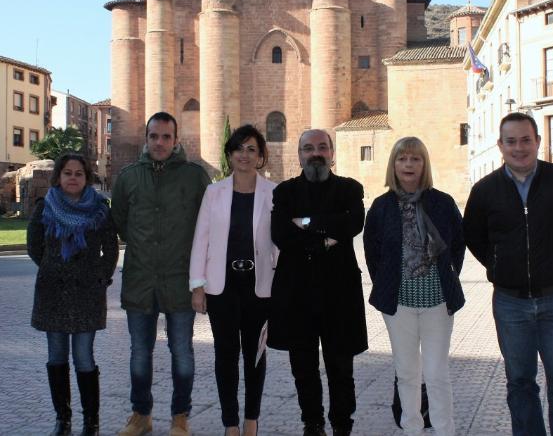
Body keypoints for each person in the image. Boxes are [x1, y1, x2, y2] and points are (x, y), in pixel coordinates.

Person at [463, 112, 553, 436]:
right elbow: (474, 236)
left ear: (538, 142)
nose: (519, 148)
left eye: (526, 140)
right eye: (511, 141)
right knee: (520, 384)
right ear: (500, 145)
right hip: (510, 304)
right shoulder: (484, 190)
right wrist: (498, 267)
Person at [112, 112, 210, 436]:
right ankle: (141, 415)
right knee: (140, 352)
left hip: (180, 281)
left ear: (176, 140)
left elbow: (206, 227)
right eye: (154, 136)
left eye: (166, 137)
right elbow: (121, 222)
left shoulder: (195, 177)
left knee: (181, 352)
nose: (159, 142)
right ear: (146, 138)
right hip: (140, 280)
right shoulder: (128, 177)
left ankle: (180, 416)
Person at [267, 129, 368, 436]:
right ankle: (312, 424)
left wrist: (307, 223)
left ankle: (341, 425)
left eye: (322, 147)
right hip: (297, 295)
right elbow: (281, 235)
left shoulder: (350, 189)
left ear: (332, 152)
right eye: (308, 148)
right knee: (303, 368)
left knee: (341, 368)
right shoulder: (284, 193)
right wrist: (326, 237)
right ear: (299, 154)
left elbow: (353, 223)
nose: (315, 153)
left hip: (340, 294)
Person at [363, 137, 465, 436]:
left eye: (415, 159)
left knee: (436, 374)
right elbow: (373, 251)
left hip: (438, 303)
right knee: (407, 373)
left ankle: (445, 430)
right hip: (399, 306)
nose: (409, 164)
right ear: (393, 164)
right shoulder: (381, 207)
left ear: (424, 164)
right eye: (402, 158)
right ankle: (411, 430)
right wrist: (388, 283)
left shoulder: (442, 203)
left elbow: (458, 243)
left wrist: (449, 275)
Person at [189, 125, 278, 436]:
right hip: (221, 288)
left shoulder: (273, 193)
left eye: (252, 149)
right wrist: (197, 285)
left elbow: (279, 242)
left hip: (259, 287)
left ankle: (251, 420)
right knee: (225, 357)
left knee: (255, 354)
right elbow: (201, 239)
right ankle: (230, 423)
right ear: (229, 155)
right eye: (239, 148)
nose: (245, 154)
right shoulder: (214, 193)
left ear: (261, 157)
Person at [28, 153, 119, 436]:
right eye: (67, 172)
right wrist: (53, 268)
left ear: (87, 178)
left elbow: (111, 248)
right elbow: (34, 246)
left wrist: (100, 277)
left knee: (83, 357)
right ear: (58, 177)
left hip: (86, 295)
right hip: (53, 293)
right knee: (56, 356)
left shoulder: (100, 209)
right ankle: (62, 419)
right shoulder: (45, 207)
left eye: (79, 173)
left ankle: (91, 421)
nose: (73, 178)